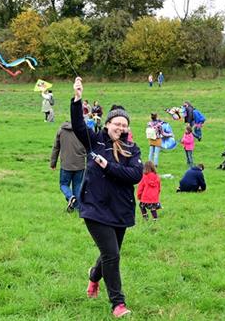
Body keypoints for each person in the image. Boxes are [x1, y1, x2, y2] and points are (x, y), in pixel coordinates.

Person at [71, 77, 143, 318]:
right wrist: (78, 98)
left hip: (120, 209)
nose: (121, 128)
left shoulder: (133, 149)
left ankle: (94, 276)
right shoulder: (96, 140)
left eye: (124, 125)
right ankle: (117, 304)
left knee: (110, 253)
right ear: (108, 123)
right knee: (112, 254)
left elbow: (135, 175)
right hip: (95, 207)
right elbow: (79, 126)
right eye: (117, 123)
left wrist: (108, 167)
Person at [50, 122, 87, 212]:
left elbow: (56, 147)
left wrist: (53, 163)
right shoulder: (82, 130)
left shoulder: (61, 130)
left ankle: (70, 197)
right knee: (77, 186)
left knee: (63, 184)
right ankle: (77, 207)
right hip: (80, 164)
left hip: (66, 164)